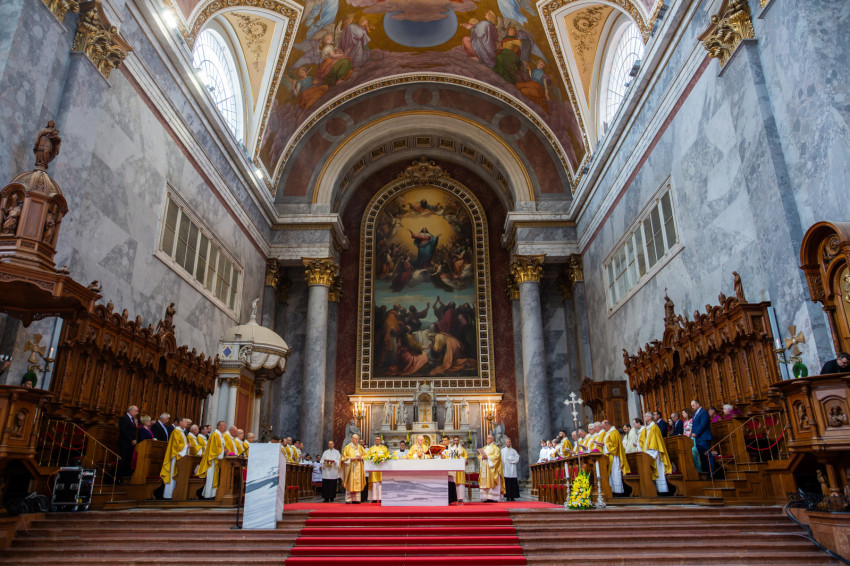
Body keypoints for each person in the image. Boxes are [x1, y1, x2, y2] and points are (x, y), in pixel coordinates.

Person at [640, 411, 672, 495]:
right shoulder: (647, 428)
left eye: (646, 416)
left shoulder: (654, 427)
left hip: (655, 452)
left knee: (659, 470)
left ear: (650, 418)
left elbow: (655, 442)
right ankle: (656, 489)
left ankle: (663, 490)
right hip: (649, 452)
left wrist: (650, 454)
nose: (644, 417)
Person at [160, 417, 189, 499]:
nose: (186, 423)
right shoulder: (176, 432)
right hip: (175, 456)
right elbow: (176, 445)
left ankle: (176, 493)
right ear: (180, 423)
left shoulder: (181, 432)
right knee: (172, 474)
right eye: (185, 422)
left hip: (180, 456)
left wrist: (186, 446)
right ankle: (169, 494)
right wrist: (186, 446)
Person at [197, 421, 227, 500]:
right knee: (211, 478)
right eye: (223, 425)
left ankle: (213, 494)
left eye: (225, 425)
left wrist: (224, 451)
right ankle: (208, 495)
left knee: (214, 477)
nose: (225, 427)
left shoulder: (220, 436)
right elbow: (213, 449)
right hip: (212, 459)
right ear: (219, 426)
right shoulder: (215, 435)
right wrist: (223, 451)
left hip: (217, 459)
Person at [602, 420, 630, 497]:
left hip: (615, 456)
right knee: (612, 474)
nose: (604, 429)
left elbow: (614, 446)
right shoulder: (609, 432)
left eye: (604, 427)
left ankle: (618, 492)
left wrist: (605, 444)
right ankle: (613, 490)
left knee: (615, 473)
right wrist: (604, 444)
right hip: (610, 456)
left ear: (608, 425)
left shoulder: (614, 432)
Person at [340, 434, 367, 504]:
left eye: (357, 439)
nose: (356, 440)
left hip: (358, 467)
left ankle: (356, 499)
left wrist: (361, 458)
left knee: (357, 483)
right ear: (352, 439)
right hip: (350, 468)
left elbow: (366, 455)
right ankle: (348, 499)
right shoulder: (347, 447)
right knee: (350, 482)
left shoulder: (360, 447)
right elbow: (343, 457)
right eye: (355, 438)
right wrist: (351, 459)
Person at [690, 399, 714, 477]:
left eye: (693, 405)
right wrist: (692, 433)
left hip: (704, 437)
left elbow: (703, 425)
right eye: (691, 406)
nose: (692, 407)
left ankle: (711, 473)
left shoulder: (703, 412)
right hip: (698, 438)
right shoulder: (694, 414)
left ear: (698, 404)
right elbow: (694, 425)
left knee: (707, 455)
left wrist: (696, 433)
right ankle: (706, 473)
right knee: (702, 457)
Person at [479, 434, 504, 502]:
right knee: (485, 482)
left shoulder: (495, 448)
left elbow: (497, 457)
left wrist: (488, 457)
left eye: (489, 438)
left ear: (492, 440)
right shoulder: (484, 448)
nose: (487, 439)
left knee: (492, 481)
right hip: (485, 468)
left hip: (492, 468)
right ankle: (487, 497)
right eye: (487, 438)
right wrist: (482, 457)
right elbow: (480, 456)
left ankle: (494, 497)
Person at [117, 405, 138, 481]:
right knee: (122, 460)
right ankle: (118, 478)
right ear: (130, 410)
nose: (137, 413)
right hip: (124, 443)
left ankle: (124, 476)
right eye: (136, 411)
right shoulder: (124, 418)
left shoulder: (132, 419)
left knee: (128, 461)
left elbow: (133, 432)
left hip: (130, 444)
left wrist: (134, 440)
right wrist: (131, 440)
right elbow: (124, 431)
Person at [367, 435, 389, 503]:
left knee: (380, 483)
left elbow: (387, 456)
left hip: (382, 468)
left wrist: (382, 459)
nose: (377, 441)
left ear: (381, 441)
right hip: (373, 468)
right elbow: (367, 457)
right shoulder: (371, 448)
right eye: (376, 439)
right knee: (374, 483)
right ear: (374, 440)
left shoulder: (384, 448)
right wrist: (373, 459)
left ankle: (381, 498)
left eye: (379, 439)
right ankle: (373, 498)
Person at [447, 436, 468, 504]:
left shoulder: (462, 449)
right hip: (453, 468)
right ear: (453, 441)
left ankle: (460, 497)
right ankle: (453, 497)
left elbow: (466, 458)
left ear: (459, 441)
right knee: (453, 482)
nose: (456, 442)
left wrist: (460, 458)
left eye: (457, 440)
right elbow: (448, 456)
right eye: (455, 440)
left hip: (460, 469)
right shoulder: (450, 449)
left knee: (460, 483)